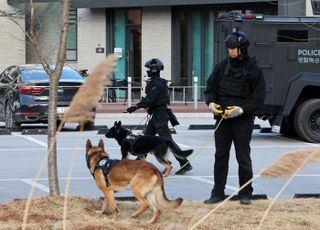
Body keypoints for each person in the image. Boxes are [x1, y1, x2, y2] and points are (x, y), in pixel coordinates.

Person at [204, 31, 266, 205]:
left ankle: (245, 193)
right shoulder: (222, 67)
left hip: (242, 121)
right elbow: (210, 89)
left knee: (243, 158)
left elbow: (259, 99)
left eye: (233, 48)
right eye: (228, 48)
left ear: (242, 48)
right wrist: (211, 104)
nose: (230, 51)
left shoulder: (254, 69)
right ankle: (217, 193)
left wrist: (241, 110)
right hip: (223, 120)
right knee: (220, 157)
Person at [126, 58, 193, 175]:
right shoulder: (155, 82)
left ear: (154, 70)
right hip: (156, 115)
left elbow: (150, 99)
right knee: (146, 138)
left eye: (148, 69)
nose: (147, 71)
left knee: (167, 141)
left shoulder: (157, 83)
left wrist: (136, 106)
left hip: (160, 115)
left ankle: (185, 163)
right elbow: (151, 99)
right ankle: (138, 163)